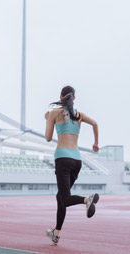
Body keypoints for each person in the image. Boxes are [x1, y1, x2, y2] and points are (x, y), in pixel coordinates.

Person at [44, 85, 100, 245]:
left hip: (62, 159)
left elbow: (48, 138)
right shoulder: (78, 115)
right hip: (77, 161)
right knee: (60, 197)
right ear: (74, 98)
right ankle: (56, 233)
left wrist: (48, 120)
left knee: (66, 198)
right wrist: (96, 143)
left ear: (60, 96)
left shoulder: (55, 113)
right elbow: (95, 124)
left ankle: (87, 200)